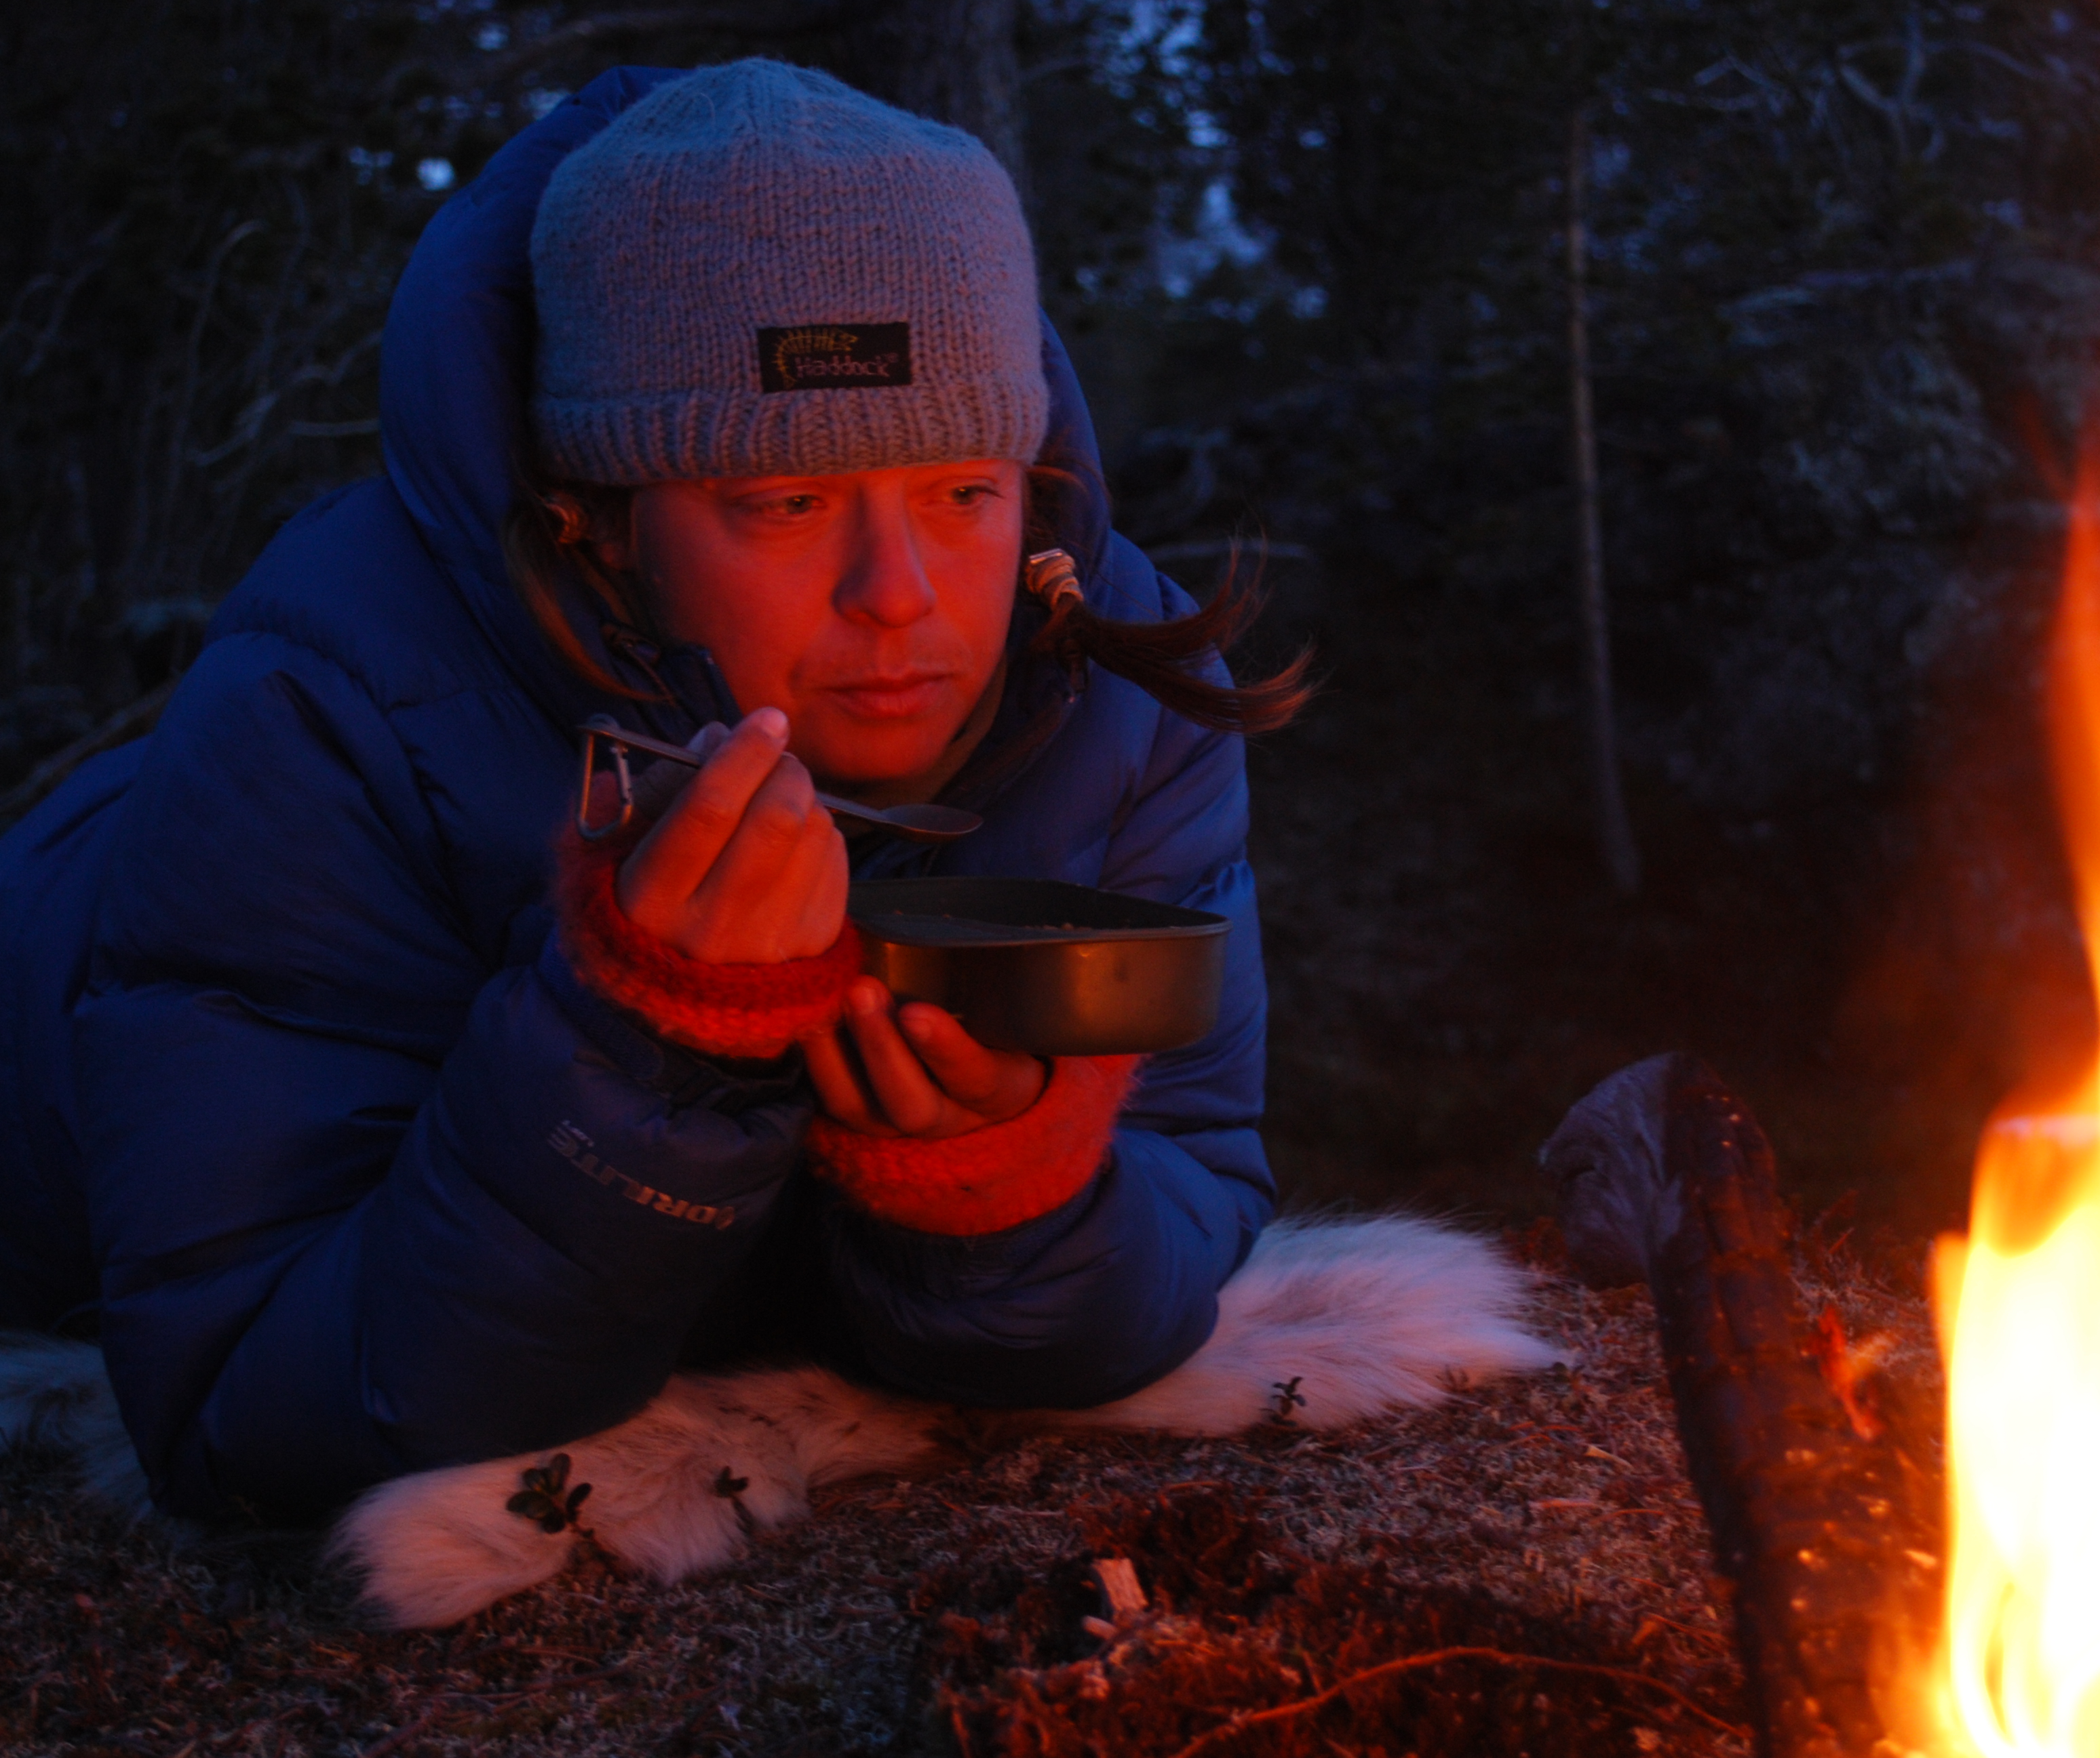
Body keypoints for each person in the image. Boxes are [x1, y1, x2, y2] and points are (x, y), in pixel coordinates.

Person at [0, 60, 1305, 1525]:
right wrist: (648, 1043)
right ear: (599, 523)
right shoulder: (323, 717)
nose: (901, 595)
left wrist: (1002, 1187)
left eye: (963, 492)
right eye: (786, 502)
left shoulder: (1120, 690)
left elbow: (1188, 1183)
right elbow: (246, 1406)